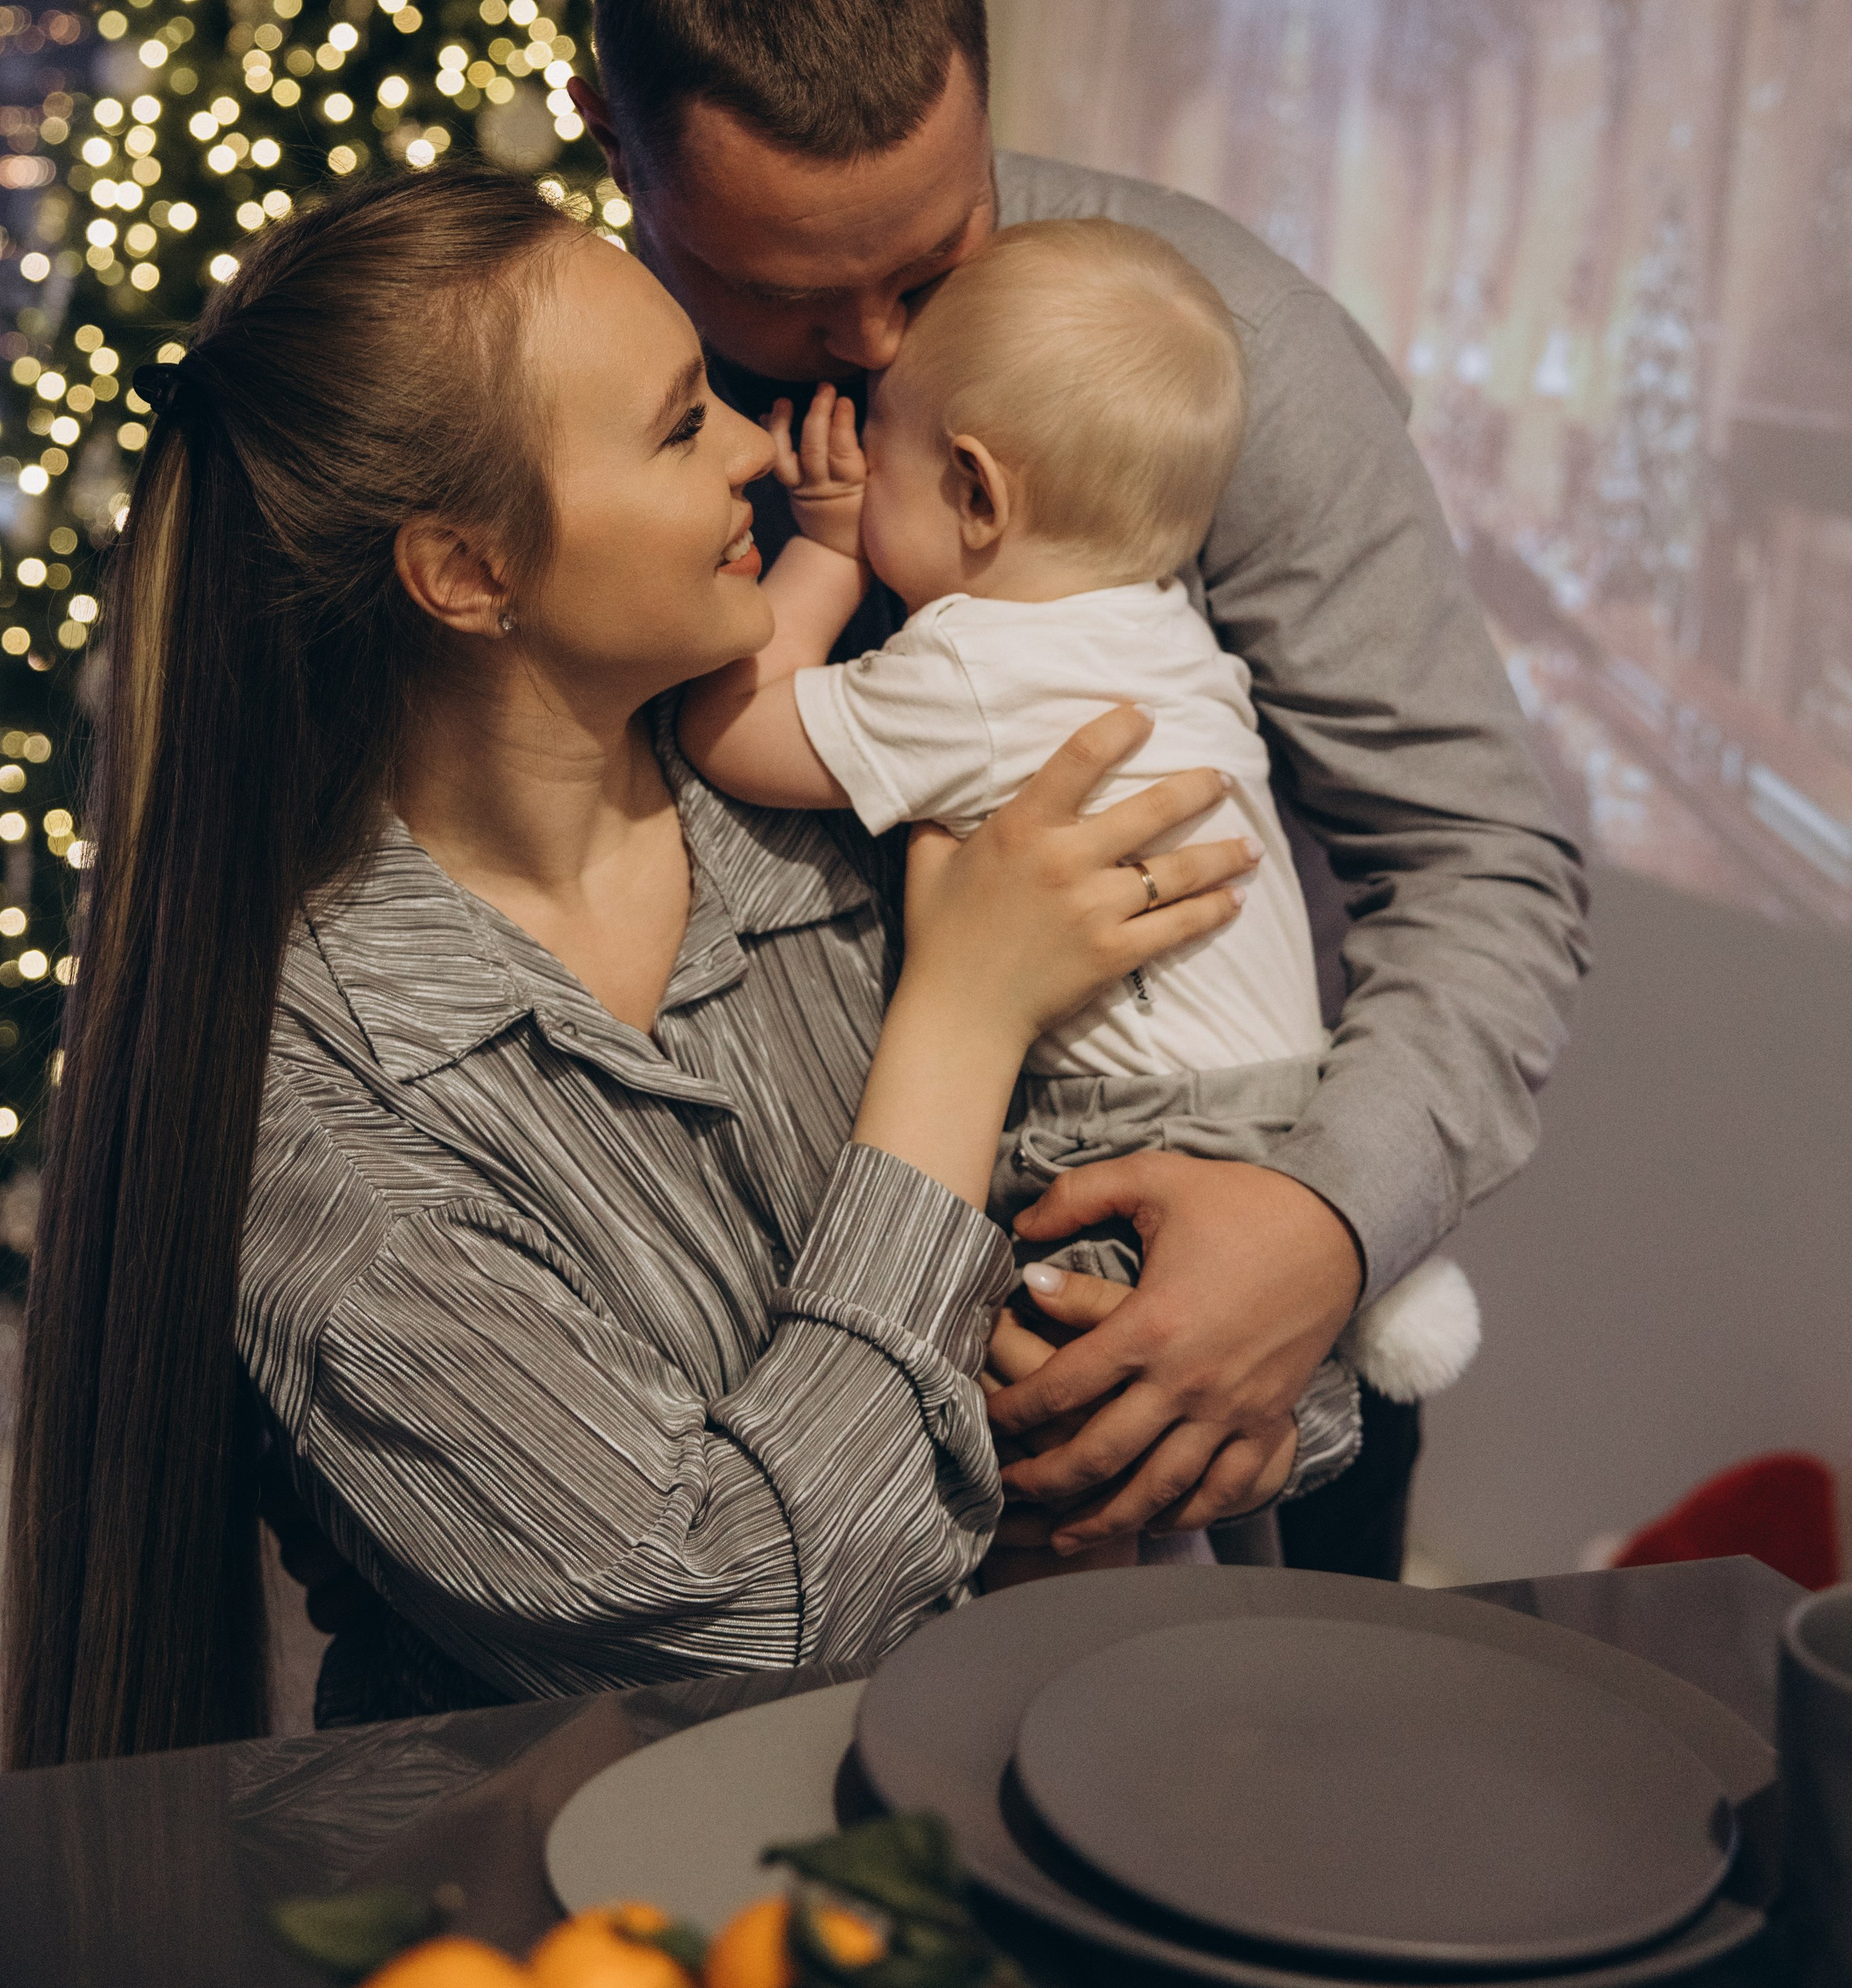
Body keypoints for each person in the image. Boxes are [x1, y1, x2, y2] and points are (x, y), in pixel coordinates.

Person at [3, 166, 1252, 1763]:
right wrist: (960, 1018)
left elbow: (1222, 1319)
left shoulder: (866, 809)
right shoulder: (325, 1134)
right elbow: (740, 1616)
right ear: (470, 574)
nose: (760, 447)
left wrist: (1222, 1342)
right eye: (677, 428)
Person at [572, 0, 1591, 1579]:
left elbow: (1479, 862)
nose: (874, 352)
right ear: (613, 147)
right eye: (788, 296)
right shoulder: (539, 393)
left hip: (1229, 1307)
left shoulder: (1219, 349)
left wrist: (1318, 1225)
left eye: (931, 258)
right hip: (747, 1391)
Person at [677, 218, 1481, 1576]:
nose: (860, 468)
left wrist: (826, 546)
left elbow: (734, 732)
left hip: (1133, 1139)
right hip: (1288, 1112)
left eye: (884, 449)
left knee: (1066, 1468)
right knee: (1220, 1491)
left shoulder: (978, 667)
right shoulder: (1163, 622)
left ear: (977, 493)